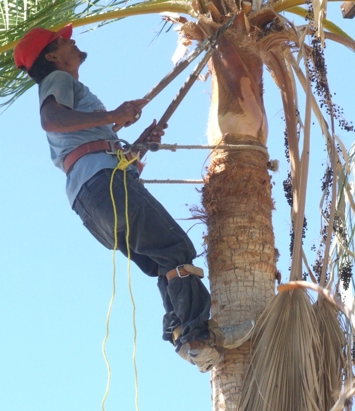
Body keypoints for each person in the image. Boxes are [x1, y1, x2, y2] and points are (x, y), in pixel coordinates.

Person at [13, 23, 254, 372]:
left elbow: (94, 151)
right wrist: (115, 116)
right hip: (102, 185)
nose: (72, 40)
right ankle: (197, 337)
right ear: (52, 56)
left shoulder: (74, 103)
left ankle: (182, 337)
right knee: (175, 250)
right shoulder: (60, 81)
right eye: (63, 40)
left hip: (91, 200)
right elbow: (50, 119)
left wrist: (139, 145)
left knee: (161, 262)